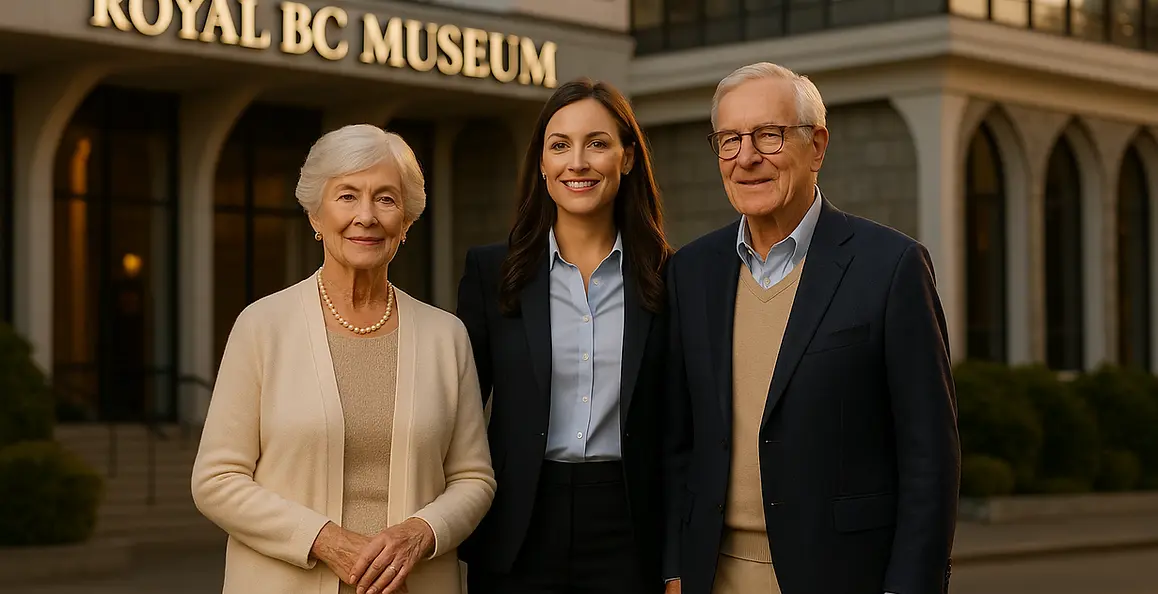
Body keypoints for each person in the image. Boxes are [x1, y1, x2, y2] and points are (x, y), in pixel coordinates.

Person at [662, 62, 960, 594]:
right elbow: (676, 441)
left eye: (768, 136)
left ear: (817, 146)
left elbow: (929, 458)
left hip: (844, 576)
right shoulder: (691, 272)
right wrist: (673, 569)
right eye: (729, 140)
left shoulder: (891, 267)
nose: (747, 157)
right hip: (714, 575)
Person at [191, 124, 496, 594]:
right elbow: (216, 479)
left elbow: (473, 478)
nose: (366, 216)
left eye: (386, 199)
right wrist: (324, 540)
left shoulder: (446, 337)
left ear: (408, 221)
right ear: (315, 214)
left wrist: (421, 534)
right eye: (347, 196)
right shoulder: (262, 326)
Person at [455, 78, 673, 593]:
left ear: (626, 158)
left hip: (630, 528)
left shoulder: (670, 277)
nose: (577, 162)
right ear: (542, 164)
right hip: (518, 526)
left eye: (597, 143)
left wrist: (678, 558)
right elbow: (457, 412)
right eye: (560, 145)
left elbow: (682, 432)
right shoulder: (492, 272)